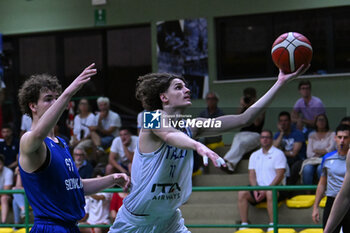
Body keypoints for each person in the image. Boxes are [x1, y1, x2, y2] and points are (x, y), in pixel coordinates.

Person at [108, 65, 309, 233]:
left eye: (186, 86)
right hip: (135, 221)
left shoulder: (193, 126)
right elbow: (168, 135)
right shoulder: (150, 119)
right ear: (164, 97)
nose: (186, 90)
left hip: (169, 220)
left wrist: (279, 83)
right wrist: (197, 145)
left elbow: (243, 118)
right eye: (178, 87)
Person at [17, 63, 130, 233]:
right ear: (33, 106)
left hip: (70, 227)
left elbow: (76, 185)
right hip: (50, 228)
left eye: (57, 98)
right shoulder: (29, 140)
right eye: (48, 99)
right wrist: (69, 92)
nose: (55, 103)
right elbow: (39, 134)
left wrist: (112, 178)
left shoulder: (61, 142)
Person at [238, 130, 287, 232]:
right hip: (258, 189)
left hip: (276, 188)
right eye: (262, 137)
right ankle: (244, 224)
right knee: (242, 193)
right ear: (260, 140)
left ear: (271, 139)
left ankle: (272, 224)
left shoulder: (278, 154)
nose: (264, 139)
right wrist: (255, 189)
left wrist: (266, 190)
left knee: (269, 193)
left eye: (267, 137)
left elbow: (280, 175)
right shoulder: (254, 155)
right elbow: (251, 174)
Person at [312, 124, 350, 233]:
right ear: (335, 138)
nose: (342, 141)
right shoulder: (327, 158)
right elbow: (322, 184)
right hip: (332, 201)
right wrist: (315, 207)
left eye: (346, 137)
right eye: (339, 137)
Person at [222, 87, 265, 173]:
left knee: (241, 143)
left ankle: (225, 161)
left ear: (255, 97)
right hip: (242, 134)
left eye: (250, 97)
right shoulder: (244, 106)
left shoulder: (260, 107)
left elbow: (257, 123)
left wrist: (251, 107)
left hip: (255, 135)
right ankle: (230, 166)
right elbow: (236, 120)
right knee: (238, 140)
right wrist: (242, 106)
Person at [301, 114, 335, 185]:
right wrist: (324, 151)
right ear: (316, 122)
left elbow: (330, 150)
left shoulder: (332, 134)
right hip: (313, 160)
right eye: (319, 120)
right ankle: (308, 193)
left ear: (326, 122)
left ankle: (324, 191)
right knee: (307, 169)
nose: (321, 122)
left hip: (326, 159)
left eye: (323, 120)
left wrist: (316, 150)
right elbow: (309, 153)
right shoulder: (311, 135)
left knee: (320, 168)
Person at [273, 111, 306, 185]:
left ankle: (288, 189)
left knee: (294, 166)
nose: (283, 123)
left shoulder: (297, 133)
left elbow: (294, 153)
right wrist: (281, 133)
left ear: (290, 121)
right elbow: (273, 149)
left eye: (285, 120)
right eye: (281, 121)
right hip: (283, 159)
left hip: (297, 160)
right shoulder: (278, 134)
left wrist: (281, 152)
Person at [0, 154, 13, 224]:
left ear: (3, 164)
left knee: (4, 198)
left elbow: (6, 191)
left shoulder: (8, 172)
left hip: (9, 197)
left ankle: (3, 222)